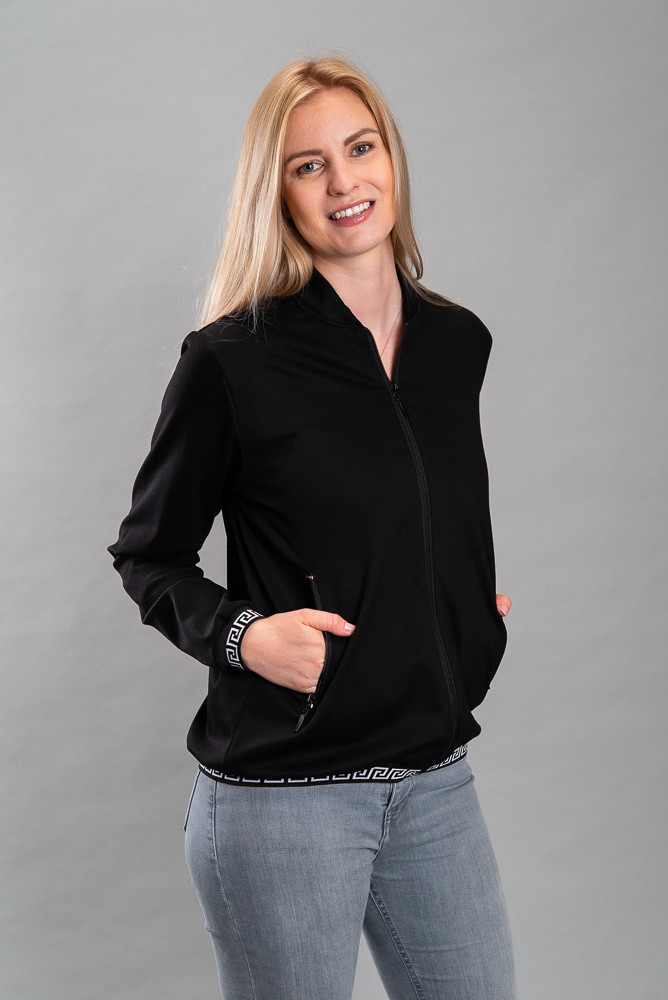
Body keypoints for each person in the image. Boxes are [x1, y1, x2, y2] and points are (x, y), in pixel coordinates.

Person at [107, 51, 518, 1000]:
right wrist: (245, 636)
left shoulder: (457, 343)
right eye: (308, 164)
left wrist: (458, 611)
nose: (344, 182)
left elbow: (419, 511)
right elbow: (148, 555)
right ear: (279, 193)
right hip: (286, 799)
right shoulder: (232, 361)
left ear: (392, 158)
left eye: (361, 148)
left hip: (434, 778)